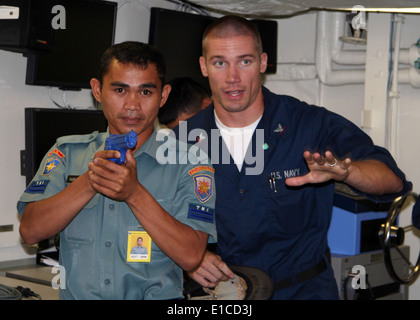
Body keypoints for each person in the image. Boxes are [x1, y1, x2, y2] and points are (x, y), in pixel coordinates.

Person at [176, 15, 412, 300]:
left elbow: (393, 181)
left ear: (263, 63)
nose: (233, 77)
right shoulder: (184, 140)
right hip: (225, 295)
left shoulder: (310, 125)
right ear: (204, 66)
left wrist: (347, 173)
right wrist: (190, 258)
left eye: (245, 61)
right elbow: (157, 218)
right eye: (220, 63)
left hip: (303, 291)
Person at [17, 41, 217, 300]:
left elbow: (191, 256)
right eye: (120, 89)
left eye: (145, 92)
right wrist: (92, 180)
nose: (132, 105)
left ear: (163, 96)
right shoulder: (67, 153)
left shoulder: (191, 162)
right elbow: (30, 231)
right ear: (97, 90)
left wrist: (134, 194)